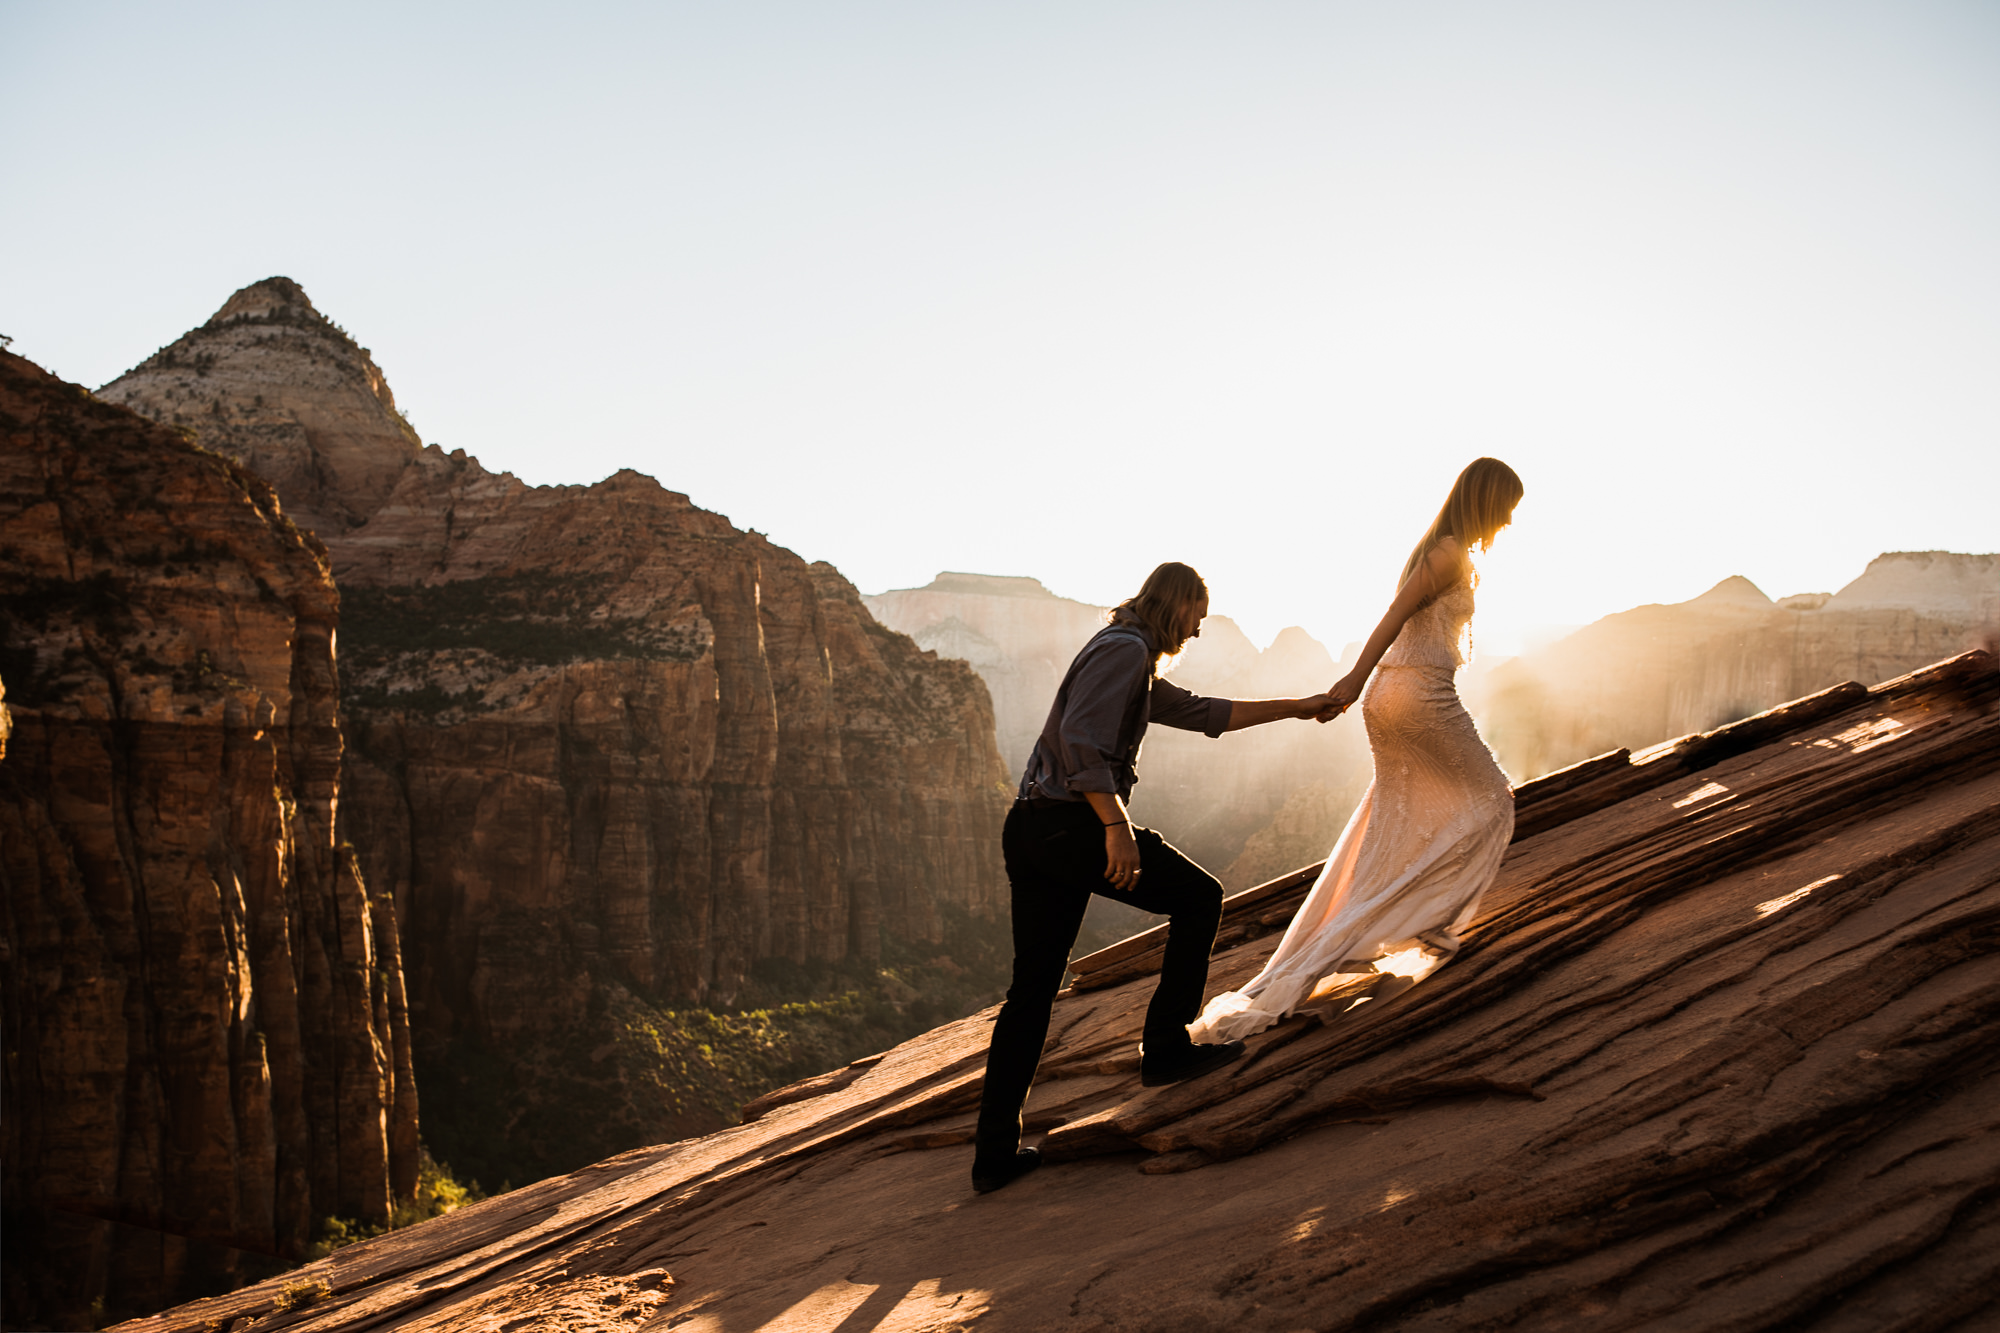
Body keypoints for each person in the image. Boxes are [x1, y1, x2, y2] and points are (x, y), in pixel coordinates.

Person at [972, 562, 1336, 1193]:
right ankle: (1166, 1049)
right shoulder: (1126, 651)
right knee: (1201, 899)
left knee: (1031, 992)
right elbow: (1081, 742)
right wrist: (1116, 827)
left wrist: (1301, 707)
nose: (1198, 629)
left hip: (1034, 829)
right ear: (1179, 603)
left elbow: (1204, 712)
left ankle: (993, 1154)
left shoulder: (1128, 658)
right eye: (1198, 613)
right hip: (1072, 828)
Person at [1189, 458, 1524, 1045]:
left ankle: (1395, 924)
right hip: (1417, 692)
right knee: (1491, 797)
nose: (1511, 520)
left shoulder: (1443, 548)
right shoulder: (1448, 553)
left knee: (1395, 821)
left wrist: (1361, 687)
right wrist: (1349, 680)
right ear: (1488, 500)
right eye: (1508, 507)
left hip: (1394, 696)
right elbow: (1394, 618)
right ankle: (1422, 924)